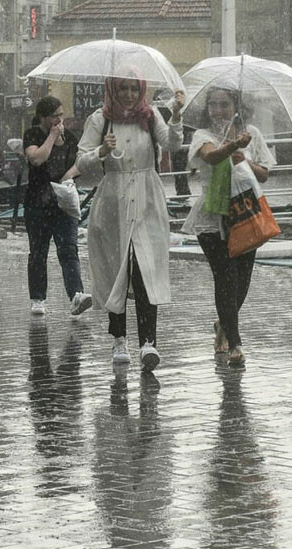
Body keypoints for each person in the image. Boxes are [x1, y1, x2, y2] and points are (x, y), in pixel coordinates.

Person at [76, 73, 184, 371]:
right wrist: (102, 151)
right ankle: (119, 337)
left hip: (148, 198)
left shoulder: (150, 117)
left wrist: (175, 115)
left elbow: (173, 144)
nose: (127, 93)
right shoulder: (100, 119)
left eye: (133, 87)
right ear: (112, 88)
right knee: (116, 268)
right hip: (114, 201)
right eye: (122, 87)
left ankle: (149, 341)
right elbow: (82, 160)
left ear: (141, 89)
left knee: (146, 268)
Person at [181, 87, 274, 367]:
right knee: (225, 278)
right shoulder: (202, 135)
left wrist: (245, 158)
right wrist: (233, 146)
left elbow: (265, 174)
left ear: (236, 105)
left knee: (242, 281)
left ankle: (223, 324)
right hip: (212, 217)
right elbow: (210, 156)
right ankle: (235, 343)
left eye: (225, 104)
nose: (218, 110)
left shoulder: (252, 134)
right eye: (213, 105)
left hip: (245, 214)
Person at [23, 96, 92, 318]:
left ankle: (76, 295)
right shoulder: (33, 134)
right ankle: (38, 298)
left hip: (63, 203)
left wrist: (68, 177)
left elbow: (78, 164)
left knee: (69, 250)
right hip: (38, 202)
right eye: (54, 116)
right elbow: (36, 159)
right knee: (38, 251)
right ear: (43, 118)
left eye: (61, 115)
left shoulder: (71, 138)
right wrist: (52, 137)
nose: (59, 120)